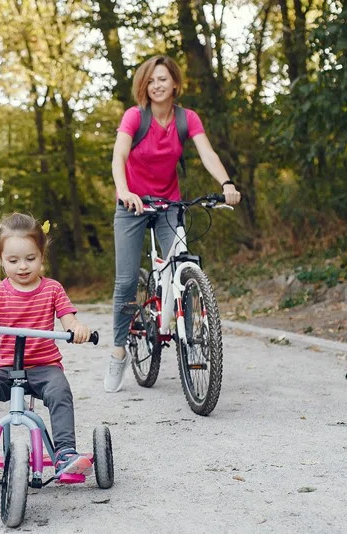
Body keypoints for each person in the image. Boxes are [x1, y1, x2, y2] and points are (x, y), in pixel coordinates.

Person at [104, 55, 242, 393]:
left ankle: (185, 324)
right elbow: (119, 155)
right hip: (133, 205)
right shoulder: (135, 117)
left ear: (175, 83)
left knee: (182, 264)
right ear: (144, 86)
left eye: (163, 79)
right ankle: (119, 350)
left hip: (169, 205)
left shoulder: (187, 119)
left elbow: (207, 153)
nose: (157, 85)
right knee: (125, 283)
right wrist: (124, 191)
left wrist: (226, 184)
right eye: (151, 80)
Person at [0, 213, 94, 489]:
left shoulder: (52, 289)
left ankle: (64, 452)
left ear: (41, 256)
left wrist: (77, 328)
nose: (22, 267)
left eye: (30, 259)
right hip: (5, 369)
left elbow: (68, 318)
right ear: (1, 259)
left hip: (45, 367)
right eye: (13, 261)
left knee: (60, 391)